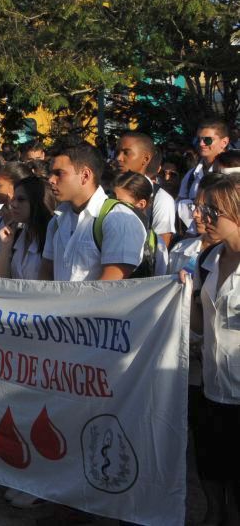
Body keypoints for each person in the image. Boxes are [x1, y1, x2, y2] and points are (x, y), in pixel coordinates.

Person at [187, 173, 240, 525]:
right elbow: (198, 323)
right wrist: (186, 293)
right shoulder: (208, 260)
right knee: (208, 464)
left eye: (211, 211)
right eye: (200, 208)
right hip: (209, 387)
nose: (201, 218)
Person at [41, 144, 147, 281]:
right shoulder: (56, 221)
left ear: (85, 175)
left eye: (59, 173)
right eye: (50, 173)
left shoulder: (118, 219)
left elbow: (110, 285)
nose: (51, 180)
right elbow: (45, 274)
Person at [114, 131, 176, 247]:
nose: (119, 158)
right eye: (117, 152)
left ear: (146, 159)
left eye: (126, 153)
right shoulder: (105, 190)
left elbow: (160, 248)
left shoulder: (161, 199)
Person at [0, 176, 55, 279]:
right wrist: (5, 249)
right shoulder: (16, 235)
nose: (13, 204)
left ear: (38, 202)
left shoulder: (53, 237)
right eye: (13, 199)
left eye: (21, 200)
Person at [111, 171, 168, 276]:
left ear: (141, 204)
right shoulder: (103, 229)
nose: (112, 206)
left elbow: (159, 280)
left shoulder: (156, 244)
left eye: (120, 203)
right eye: (111, 200)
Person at [177, 119, 231, 231]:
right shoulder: (191, 175)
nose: (201, 144)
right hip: (196, 239)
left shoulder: (233, 172)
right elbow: (181, 205)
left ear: (224, 142)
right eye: (198, 139)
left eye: (207, 140)